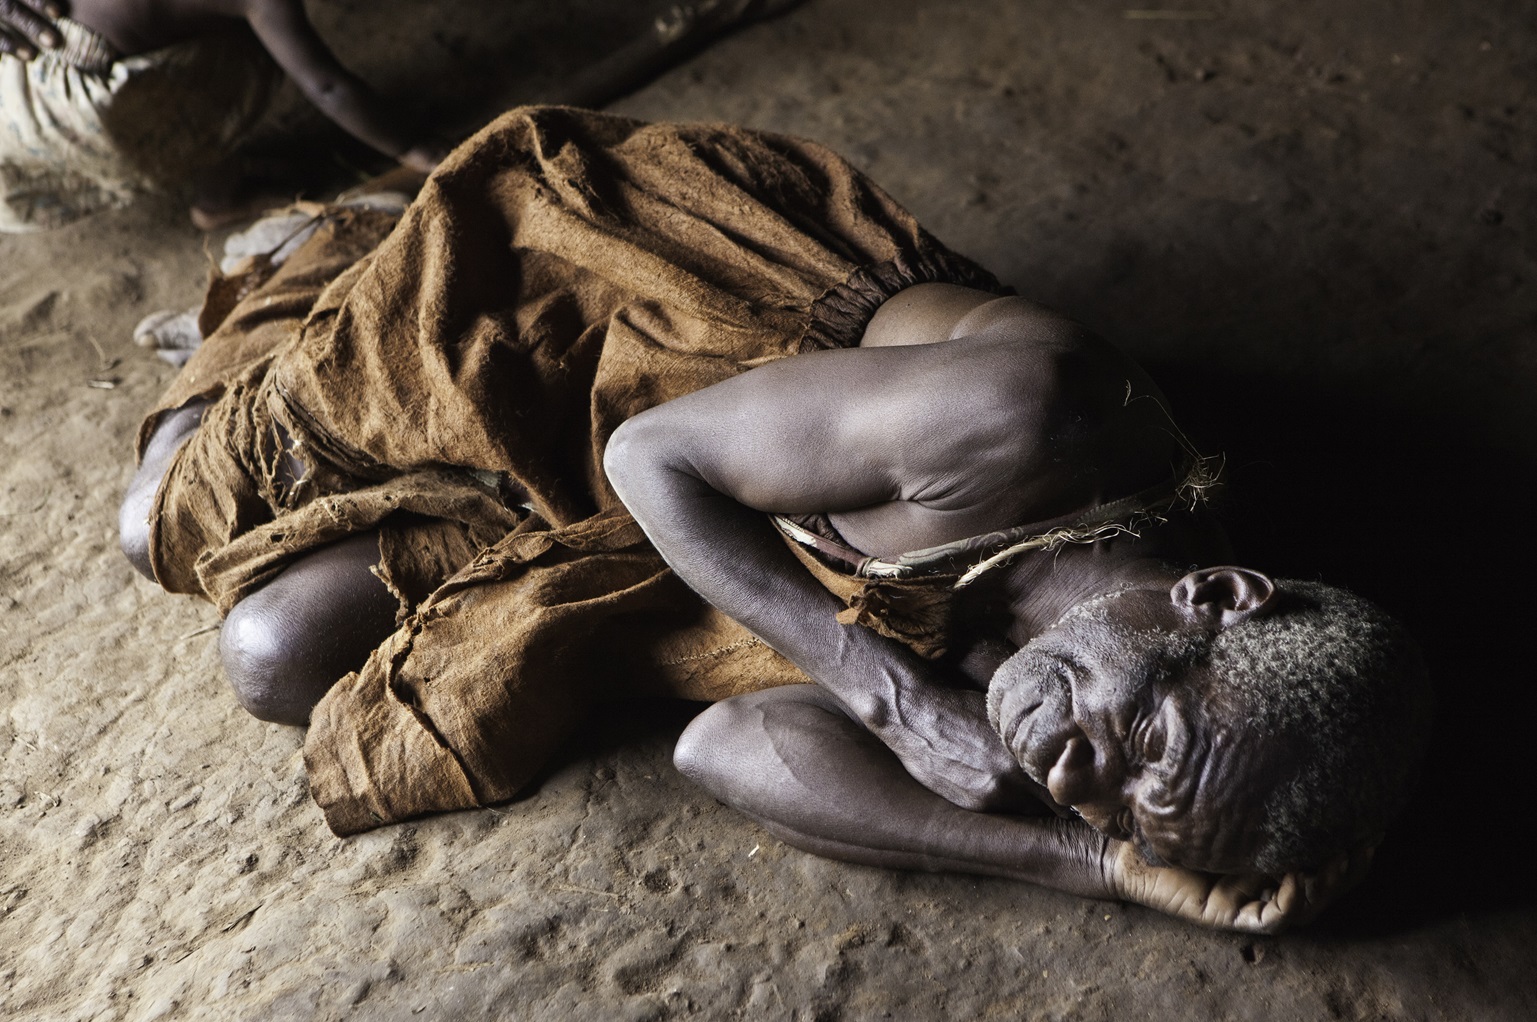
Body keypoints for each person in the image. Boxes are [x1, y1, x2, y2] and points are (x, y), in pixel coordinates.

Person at [119, 107, 1431, 933]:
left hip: (687, 504)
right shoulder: (1032, 419)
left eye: (1121, 806)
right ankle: (312, 249)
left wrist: (1095, 866)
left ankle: (337, 334)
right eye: (1138, 736)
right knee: (159, 521)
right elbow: (652, 452)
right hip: (619, 326)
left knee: (274, 659)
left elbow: (729, 746)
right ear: (1215, 595)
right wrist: (894, 699)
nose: (1076, 768)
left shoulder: (1086, 711)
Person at [0, 0, 439, 231]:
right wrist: (415, 149)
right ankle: (217, 199)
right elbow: (327, 87)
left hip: (20, 75)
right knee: (247, 55)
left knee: (208, 38)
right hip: (72, 108)